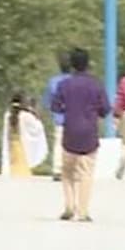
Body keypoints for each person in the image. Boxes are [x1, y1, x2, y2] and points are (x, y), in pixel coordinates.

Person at [50, 49, 109, 222]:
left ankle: (69, 206)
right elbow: (105, 109)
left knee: (67, 172)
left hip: (70, 132)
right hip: (89, 133)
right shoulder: (96, 85)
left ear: (73, 65)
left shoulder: (64, 85)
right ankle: (82, 211)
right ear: (87, 64)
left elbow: (56, 107)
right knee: (86, 173)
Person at [0, 93, 48, 177]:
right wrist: (34, 112)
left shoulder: (7, 115)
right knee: (22, 168)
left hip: (10, 144)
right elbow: (38, 128)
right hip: (22, 146)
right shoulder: (25, 116)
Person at [41, 53, 72, 181]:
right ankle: (71, 169)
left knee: (58, 143)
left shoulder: (53, 81)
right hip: (74, 117)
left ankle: (57, 170)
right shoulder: (74, 80)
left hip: (58, 118)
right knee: (72, 146)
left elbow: (47, 101)